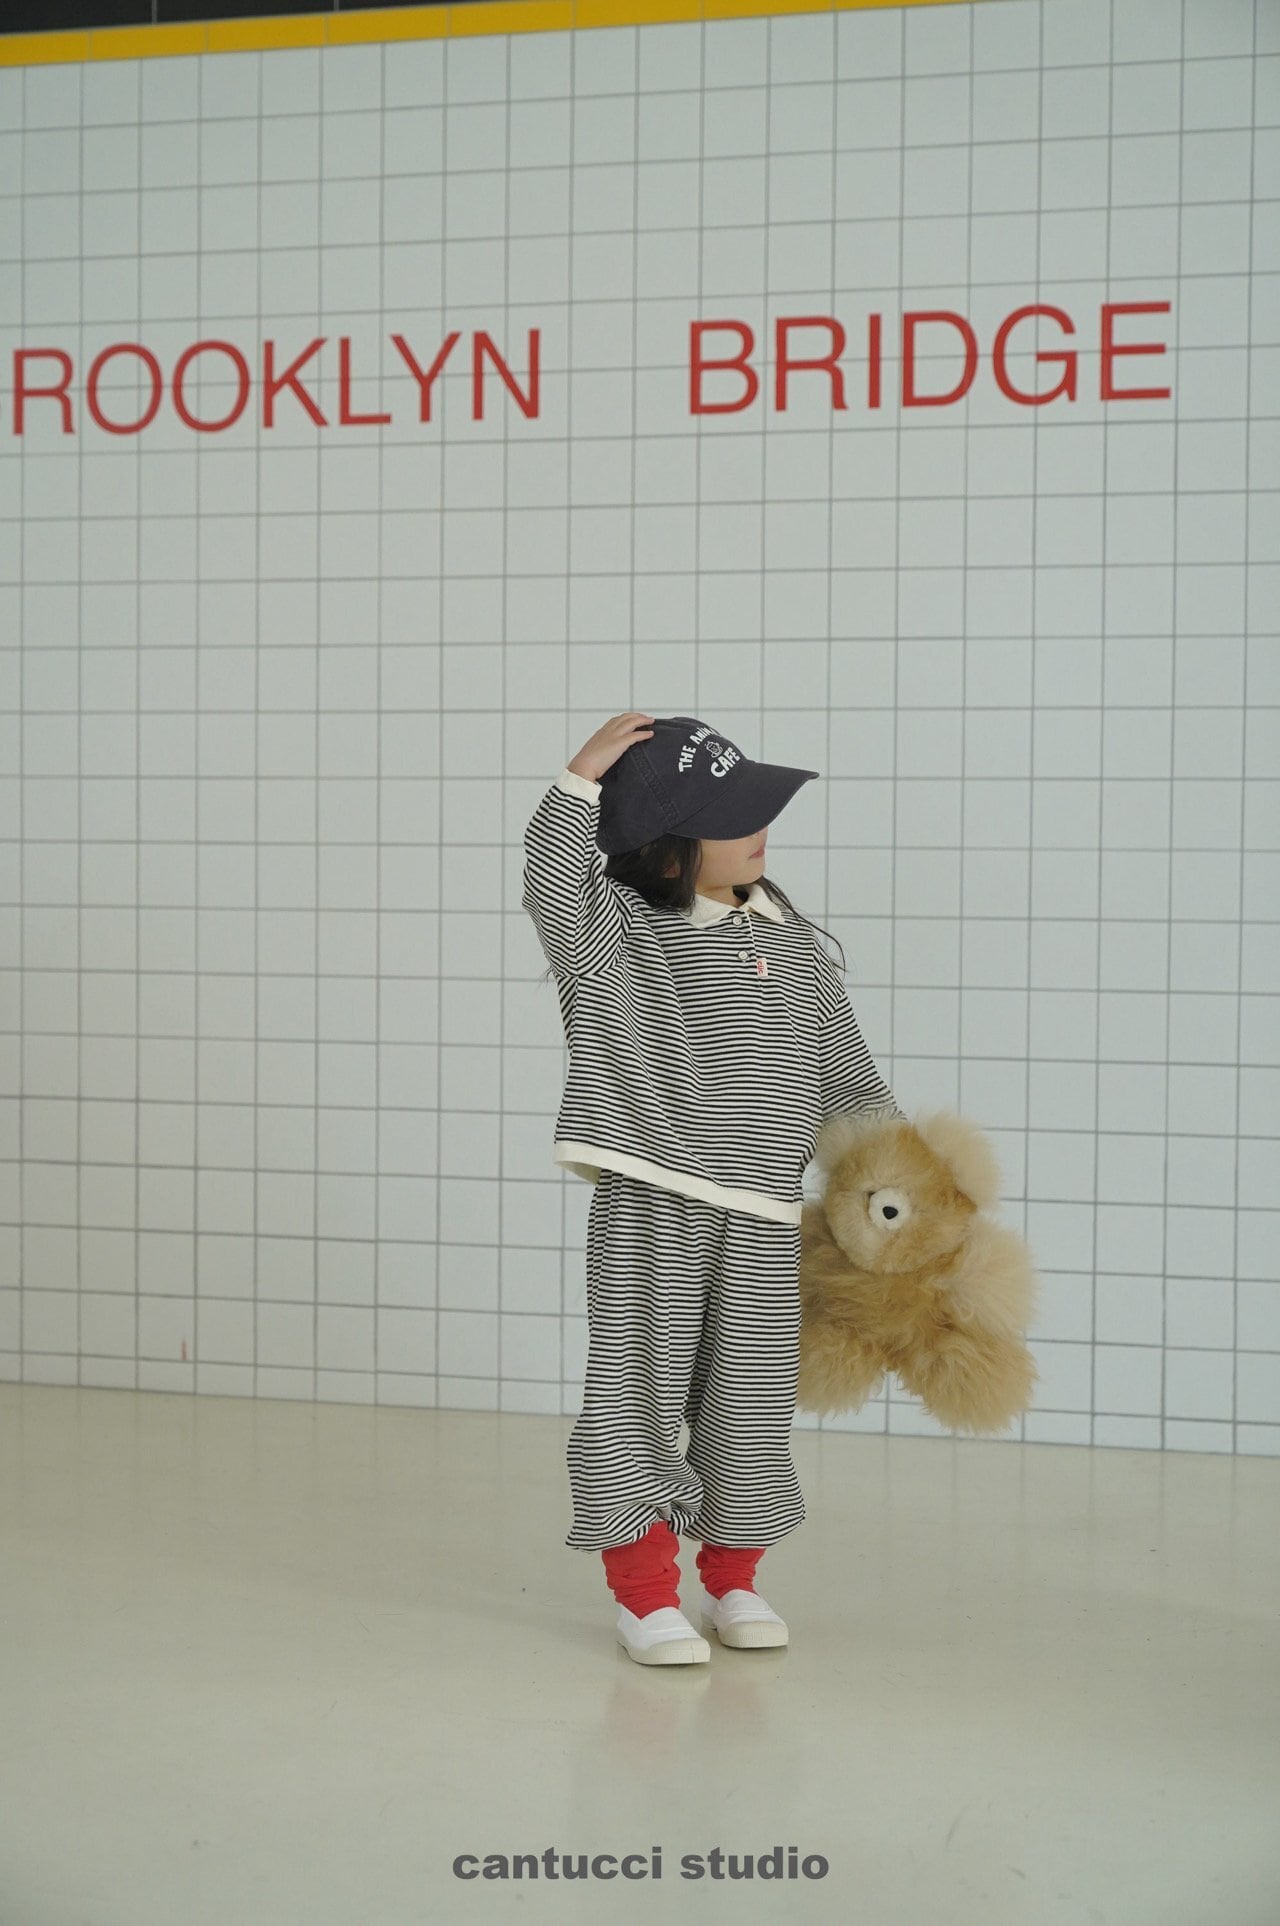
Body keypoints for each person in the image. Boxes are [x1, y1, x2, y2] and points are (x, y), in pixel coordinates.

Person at [521, 713, 905, 1665]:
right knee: (637, 1396)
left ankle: (735, 1580)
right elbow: (552, 883)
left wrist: (894, 1185)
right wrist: (579, 781)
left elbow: (849, 1080)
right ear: (666, 848)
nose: (760, 829)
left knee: (751, 1405)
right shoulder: (618, 939)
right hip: (656, 1205)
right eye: (730, 818)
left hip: (766, 1219)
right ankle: (645, 1595)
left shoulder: (794, 945)